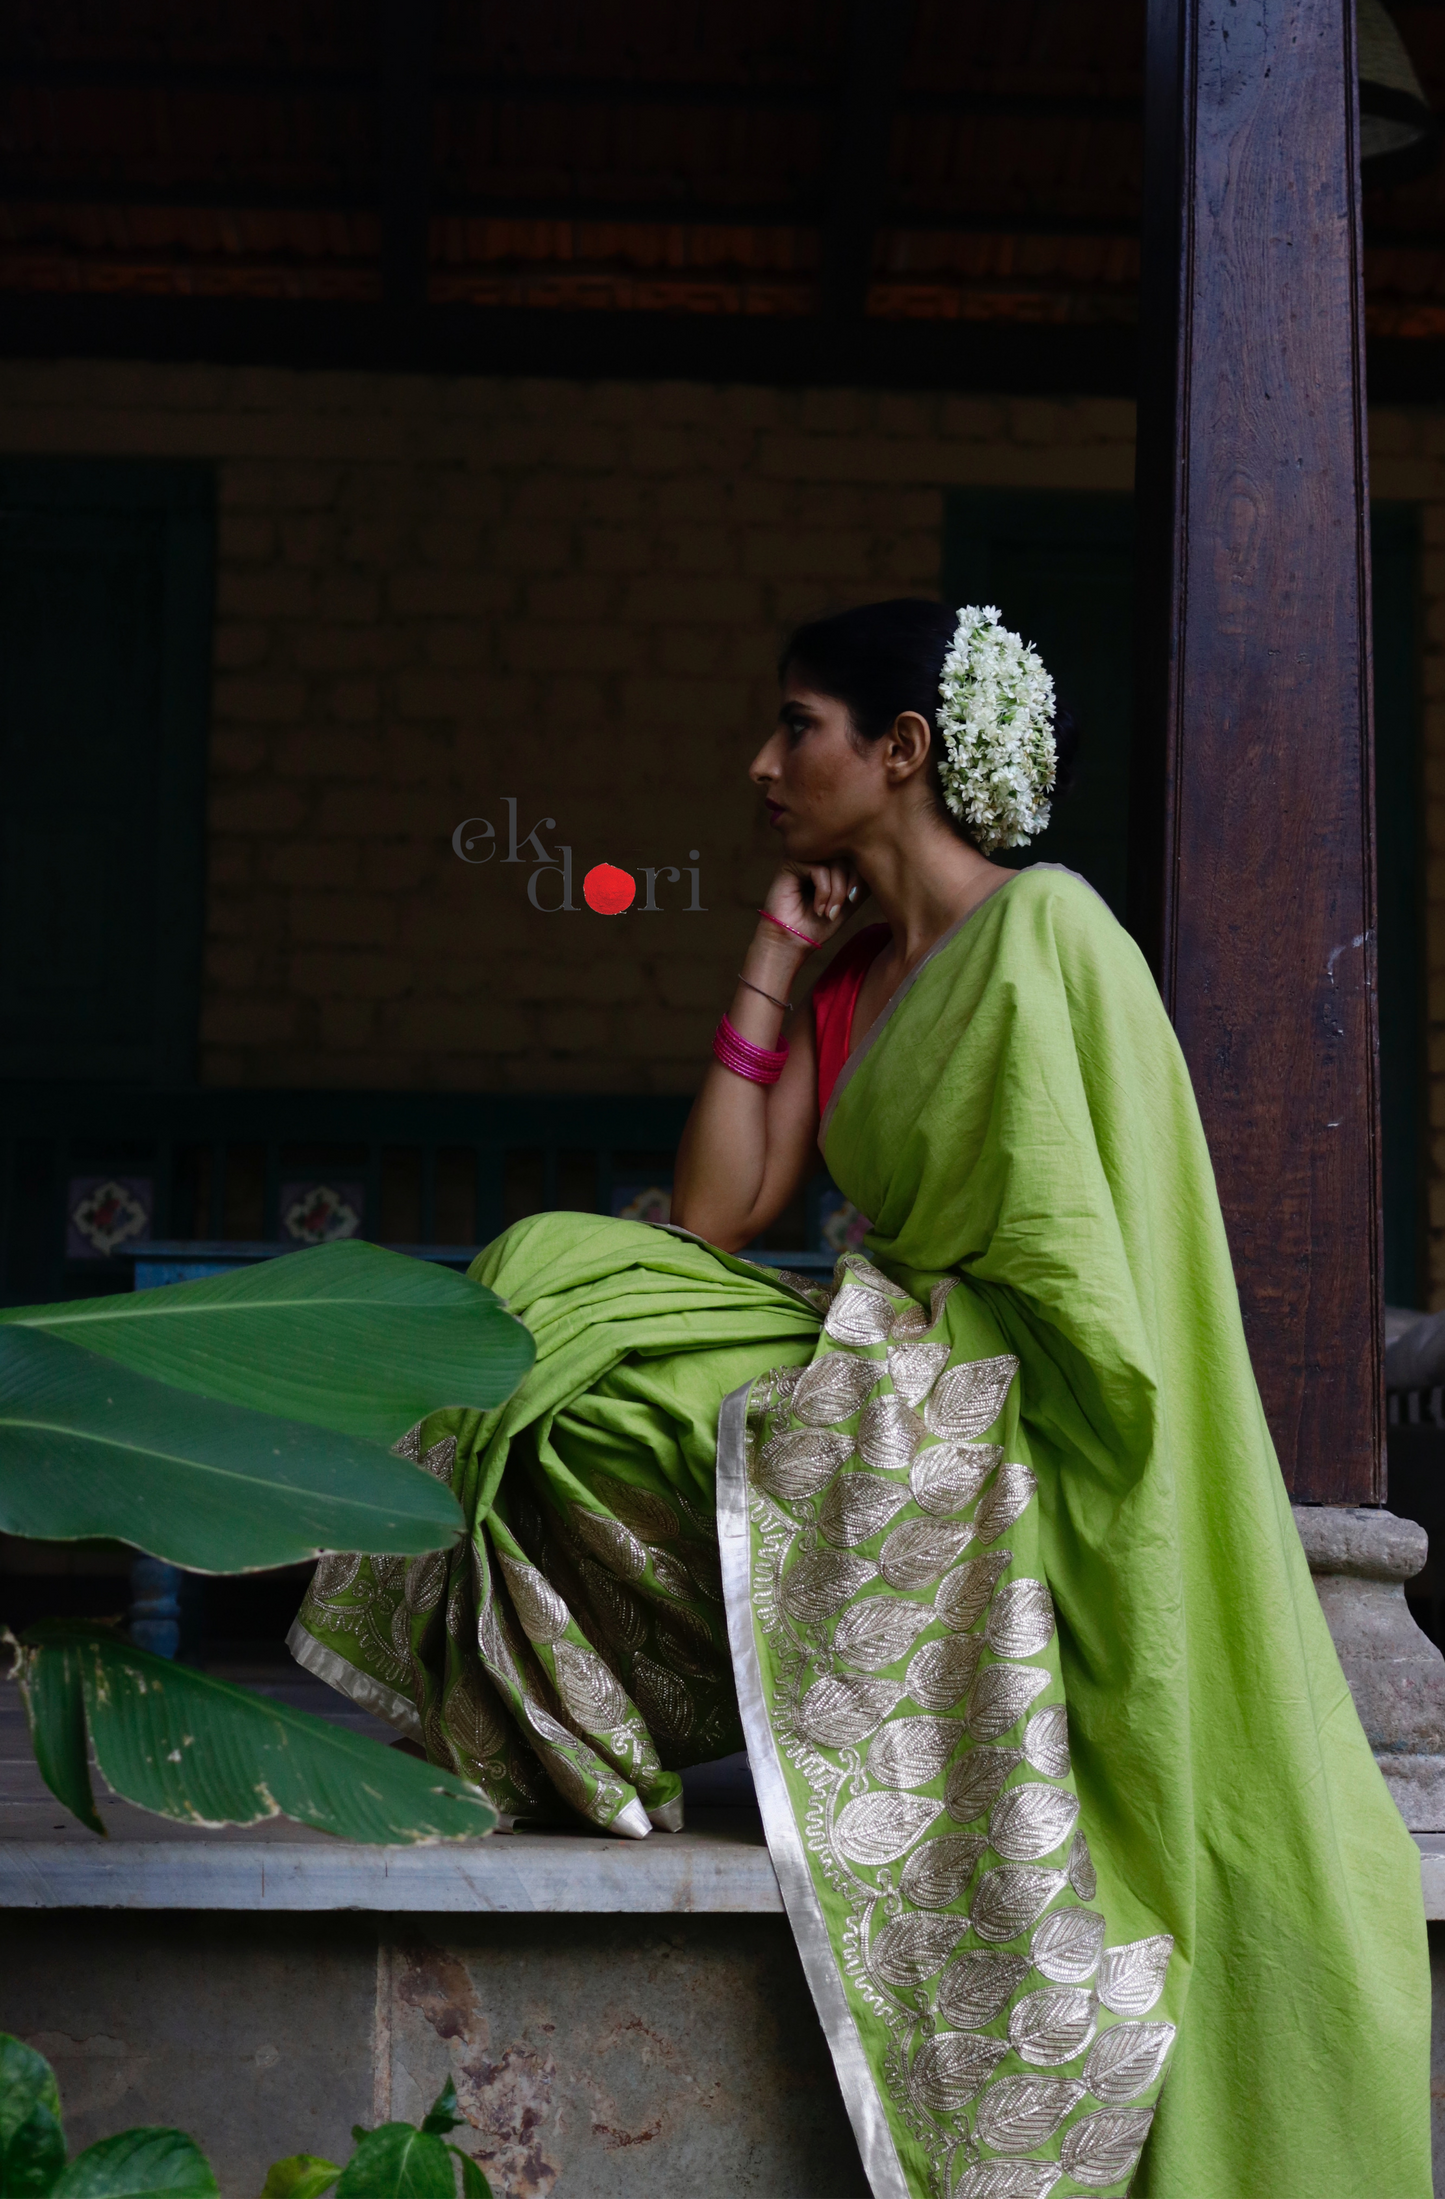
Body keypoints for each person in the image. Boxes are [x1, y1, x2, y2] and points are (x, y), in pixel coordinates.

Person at [26, 592, 1425, 2199]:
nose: (763, 761)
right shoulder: (862, 969)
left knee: (627, 1377)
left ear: (902, 751)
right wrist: (774, 952)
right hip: (874, 1347)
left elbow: (1112, 1260)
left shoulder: (1053, 937)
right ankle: (573, 1730)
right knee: (554, 1277)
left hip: (991, 1394)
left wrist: (931, 1353)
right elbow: (714, 1211)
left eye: (799, 728)